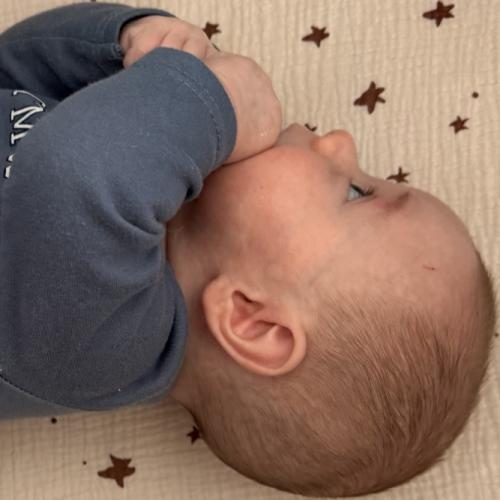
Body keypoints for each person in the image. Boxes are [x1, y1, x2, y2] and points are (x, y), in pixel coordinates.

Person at [0, 2, 496, 498]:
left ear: (253, 322)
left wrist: (211, 102)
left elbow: (76, 170)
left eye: (355, 192)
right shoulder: (143, 169)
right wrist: (133, 44)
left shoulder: (102, 348)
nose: (341, 143)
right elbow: (16, 68)